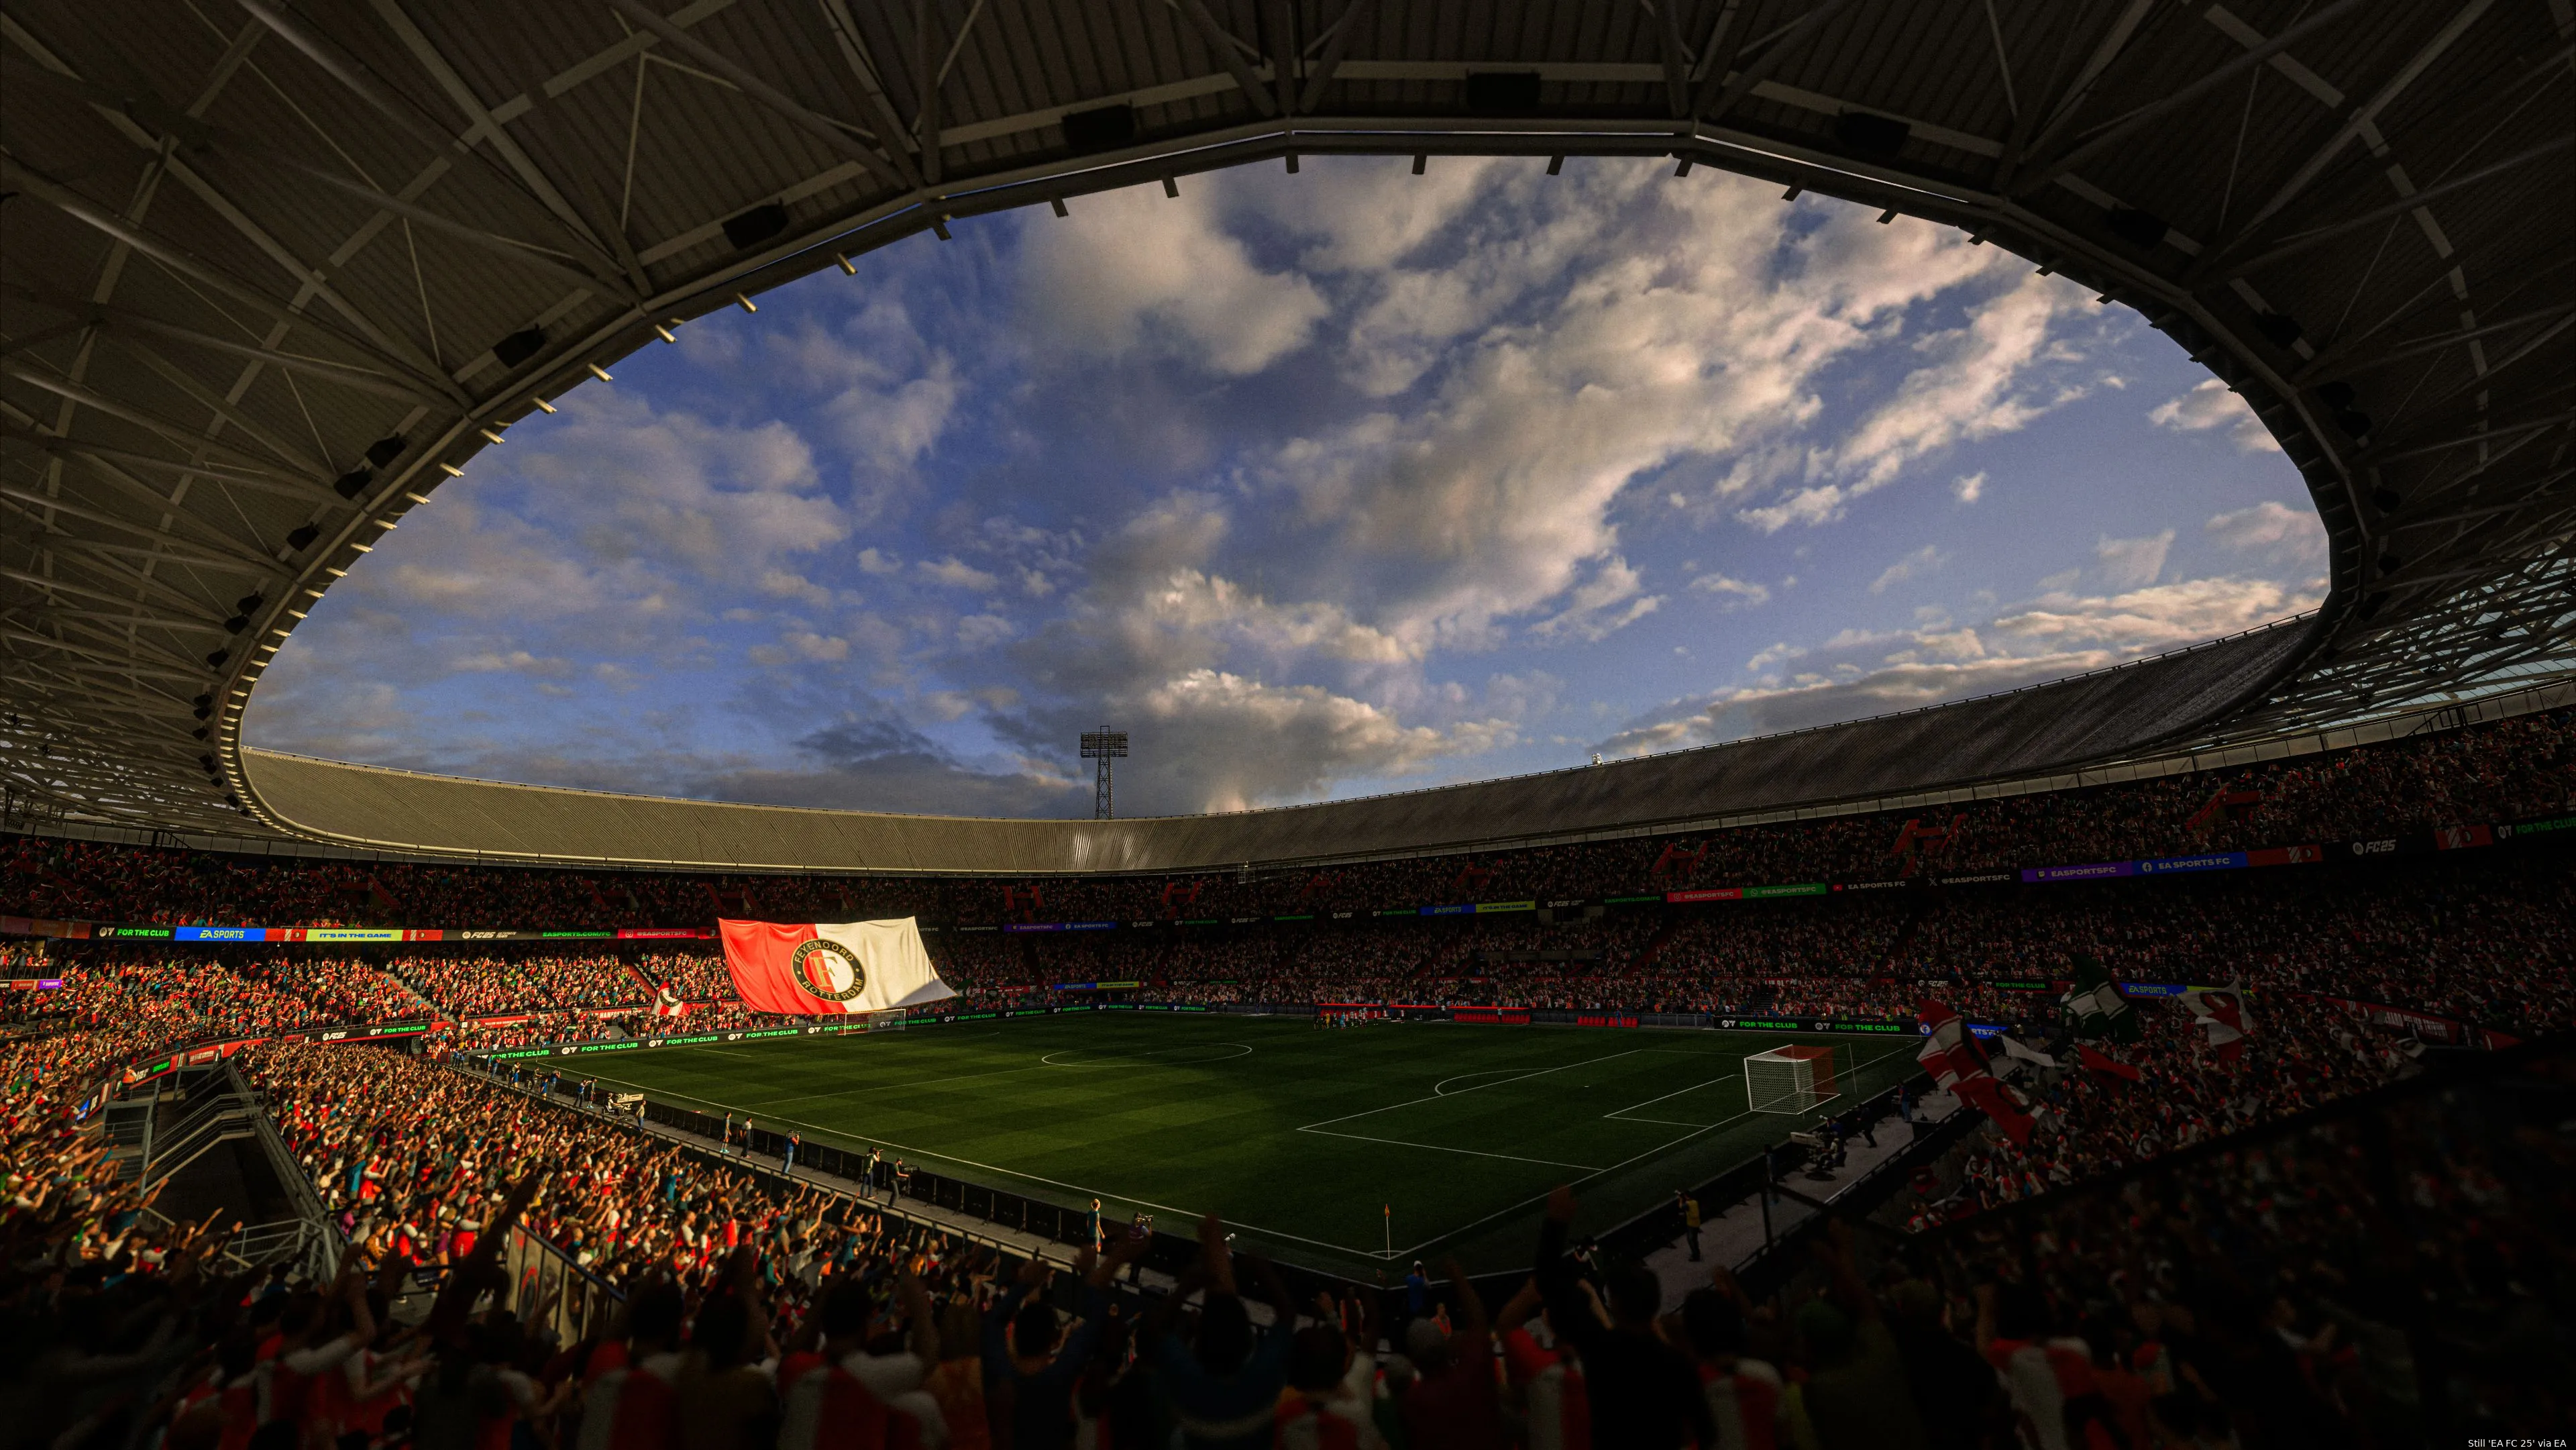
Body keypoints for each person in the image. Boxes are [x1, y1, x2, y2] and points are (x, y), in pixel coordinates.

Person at [1534, 1184, 1714, 1447]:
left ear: (1615, 1304)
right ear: (1655, 1304)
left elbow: (1549, 1286)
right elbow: (1706, 1431)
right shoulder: (1677, 1363)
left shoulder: (1602, 1350)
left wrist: (1556, 1224)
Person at [1678, 1190, 1703, 1261]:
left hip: (1691, 1224)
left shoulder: (1687, 1204)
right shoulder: (1695, 1202)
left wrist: (1680, 1199)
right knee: (1695, 1240)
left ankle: (1695, 1256)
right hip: (1697, 1223)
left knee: (1691, 1240)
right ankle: (1697, 1253)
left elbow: (1681, 1206)